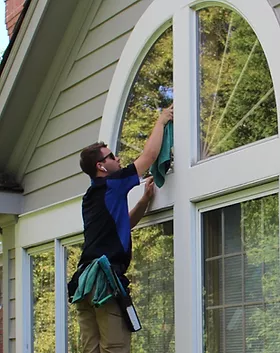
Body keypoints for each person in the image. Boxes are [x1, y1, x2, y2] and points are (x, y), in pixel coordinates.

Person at [69, 104, 173, 353]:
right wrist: (161, 121)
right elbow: (147, 157)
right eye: (112, 156)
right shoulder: (112, 185)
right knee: (114, 347)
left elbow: (122, 225)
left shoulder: (92, 197)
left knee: (91, 349)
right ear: (101, 167)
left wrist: (143, 202)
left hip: (85, 286)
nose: (118, 159)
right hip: (103, 284)